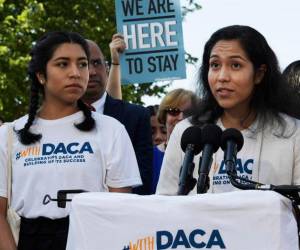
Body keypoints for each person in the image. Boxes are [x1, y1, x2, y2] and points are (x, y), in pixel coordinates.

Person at [0, 31, 142, 250]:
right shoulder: (9, 135)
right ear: (41, 75)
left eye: (83, 64)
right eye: (63, 64)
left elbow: (120, 212)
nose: (76, 73)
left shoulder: (111, 130)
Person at [156, 25, 300, 195]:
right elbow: (165, 204)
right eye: (215, 65)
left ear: (259, 74)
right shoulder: (186, 132)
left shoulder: (293, 133)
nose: (222, 77)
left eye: (235, 65)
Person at [82, 36, 153, 195]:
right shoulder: (59, 119)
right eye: (84, 64)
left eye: (97, 63)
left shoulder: (136, 116)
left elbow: (142, 181)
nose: (92, 72)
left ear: (107, 68)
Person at [149, 89, 198, 193]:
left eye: (188, 113)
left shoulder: (206, 152)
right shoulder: (150, 156)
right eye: (174, 111)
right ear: (164, 116)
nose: (181, 118)